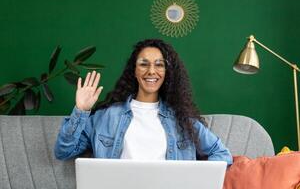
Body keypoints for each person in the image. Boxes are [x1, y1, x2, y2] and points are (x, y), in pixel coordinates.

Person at [54, 39, 232, 165]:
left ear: (167, 72)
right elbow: (63, 152)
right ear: (134, 70)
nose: (151, 71)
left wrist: (196, 178)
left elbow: (222, 154)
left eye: (159, 64)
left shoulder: (182, 119)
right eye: (144, 64)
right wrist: (81, 110)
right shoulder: (106, 116)